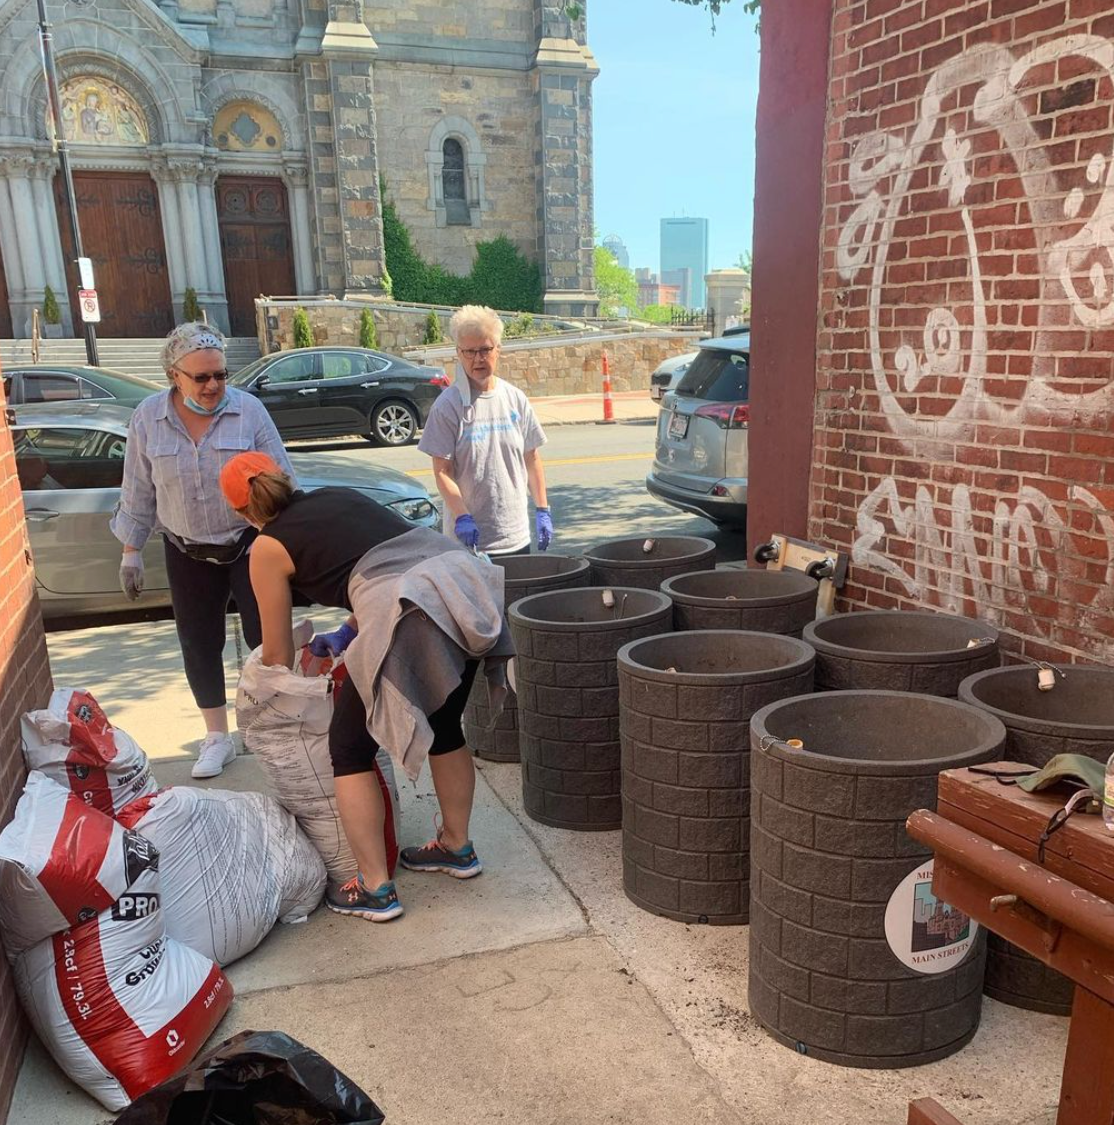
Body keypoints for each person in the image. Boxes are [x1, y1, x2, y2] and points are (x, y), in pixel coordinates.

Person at [219, 451, 512, 922]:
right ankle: (456, 848)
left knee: (349, 749)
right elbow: (390, 559)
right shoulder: (339, 495)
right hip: (464, 589)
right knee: (445, 726)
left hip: (413, 611)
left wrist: (307, 653)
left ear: (243, 511)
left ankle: (375, 888)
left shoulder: (268, 547)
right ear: (285, 480)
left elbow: (274, 653)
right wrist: (350, 631)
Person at [111, 322, 295, 779]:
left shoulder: (248, 412)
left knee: (266, 637)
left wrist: (292, 539)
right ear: (175, 375)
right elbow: (137, 488)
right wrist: (130, 550)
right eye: (202, 378)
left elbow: (283, 478)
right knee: (198, 642)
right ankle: (217, 737)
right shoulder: (148, 418)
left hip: (250, 543)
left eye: (220, 375)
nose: (214, 386)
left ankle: (277, 726)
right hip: (185, 547)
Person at [418, 304, 552, 557]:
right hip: (469, 542)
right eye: (469, 351)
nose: (478, 359)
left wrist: (543, 509)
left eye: (485, 349)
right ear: (458, 353)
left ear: (498, 350)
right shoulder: (448, 406)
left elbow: (531, 459)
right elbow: (442, 472)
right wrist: (462, 517)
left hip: (515, 535)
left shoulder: (515, 398)